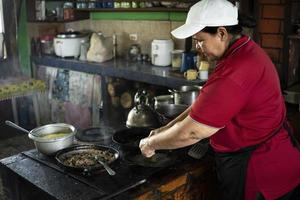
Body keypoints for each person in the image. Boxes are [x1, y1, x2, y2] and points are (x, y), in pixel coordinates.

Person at [139, 0, 300, 199]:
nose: (197, 46)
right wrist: (164, 129)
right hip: (274, 158)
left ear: (222, 33)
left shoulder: (235, 71)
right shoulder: (243, 50)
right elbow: (201, 108)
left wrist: (152, 143)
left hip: (259, 171)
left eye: (200, 39)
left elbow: (192, 132)